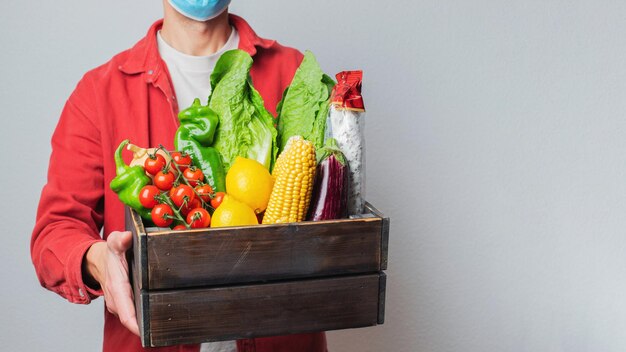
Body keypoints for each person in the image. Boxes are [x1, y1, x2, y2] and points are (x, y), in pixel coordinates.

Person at [30, 1, 328, 351]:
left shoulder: (292, 72)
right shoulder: (99, 92)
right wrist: (98, 261)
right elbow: (54, 232)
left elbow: (335, 211)